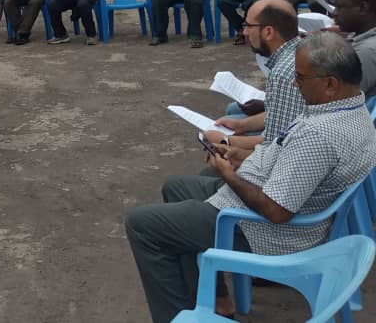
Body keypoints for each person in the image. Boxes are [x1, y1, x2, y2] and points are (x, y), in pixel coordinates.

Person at [126, 32, 376, 323]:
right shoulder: (352, 110)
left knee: (142, 225)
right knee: (176, 187)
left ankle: (175, 316)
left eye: (300, 78)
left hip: (264, 231)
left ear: (330, 84)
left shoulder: (320, 135)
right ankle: (214, 298)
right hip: (274, 199)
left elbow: (276, 211)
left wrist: (229, 174)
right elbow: (287, 158)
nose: (295, 84)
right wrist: (239, 154)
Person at [202, 0, 302, 165]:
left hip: (281, 163)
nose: (245, 32)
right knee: (233, 114)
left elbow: (274, 144)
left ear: (268, 32)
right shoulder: (298, 50)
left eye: (248, 26)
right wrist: (241, 125)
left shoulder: (282, 73)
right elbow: (281, 115)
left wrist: (226, 140)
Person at [331, 0, 376, 99]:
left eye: (340, 7)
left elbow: (342, 98)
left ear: (363, 8)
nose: (334, 13)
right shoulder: (361, 37)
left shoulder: (366, 52)